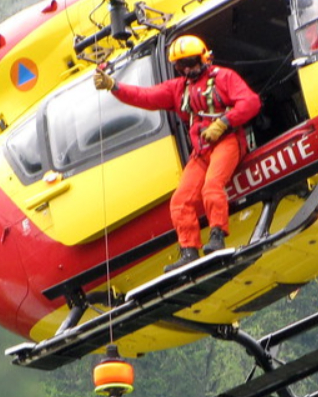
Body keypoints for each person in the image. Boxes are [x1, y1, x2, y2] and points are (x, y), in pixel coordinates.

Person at [94, 35, 261, 272]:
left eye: (190, 62)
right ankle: (189, 251)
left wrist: (224, 122)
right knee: (180, 201)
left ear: (203, 58)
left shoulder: (224, 77)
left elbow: (251, 102)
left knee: (212, 186)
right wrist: (114, 86)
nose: (187, 69)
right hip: (201, 152)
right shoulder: (178, 89)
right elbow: (145, 96)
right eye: (181, 65)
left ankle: (217, 236)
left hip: (228, 142)